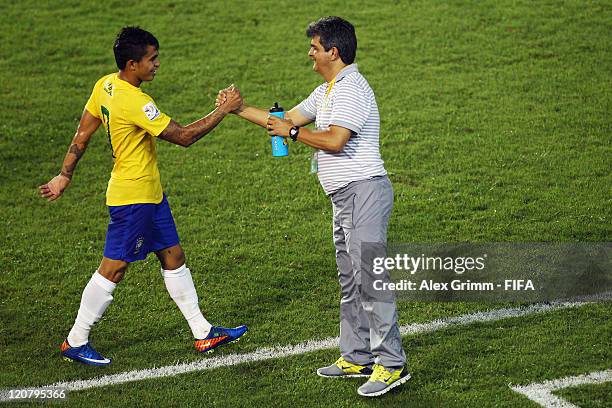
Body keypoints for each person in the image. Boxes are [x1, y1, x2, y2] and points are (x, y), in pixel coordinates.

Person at [217, 16, 408, 397]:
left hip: (365, 192)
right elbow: (285, 120)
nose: (310, 54)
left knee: (370, 280)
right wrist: (237, 109)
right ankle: (357, 355)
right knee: (350, 280)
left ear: (333, 52)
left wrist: (291, 132)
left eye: (315, 48)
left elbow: (335, 140)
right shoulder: (327, 91)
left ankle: (392, 364)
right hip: (344, 197)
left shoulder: (352, 88)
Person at [38, 26, 247, 367]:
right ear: (132, 64)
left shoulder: (105, 85)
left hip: (150, 195)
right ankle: (76, 339)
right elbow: (183, 137)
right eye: (152, 59)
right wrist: (224, 110)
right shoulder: (135, 101)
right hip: (133, 198)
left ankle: (202, 331)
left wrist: (65, 174)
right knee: (115, 267)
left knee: (173, 256)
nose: (157, 64)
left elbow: (84, 131)